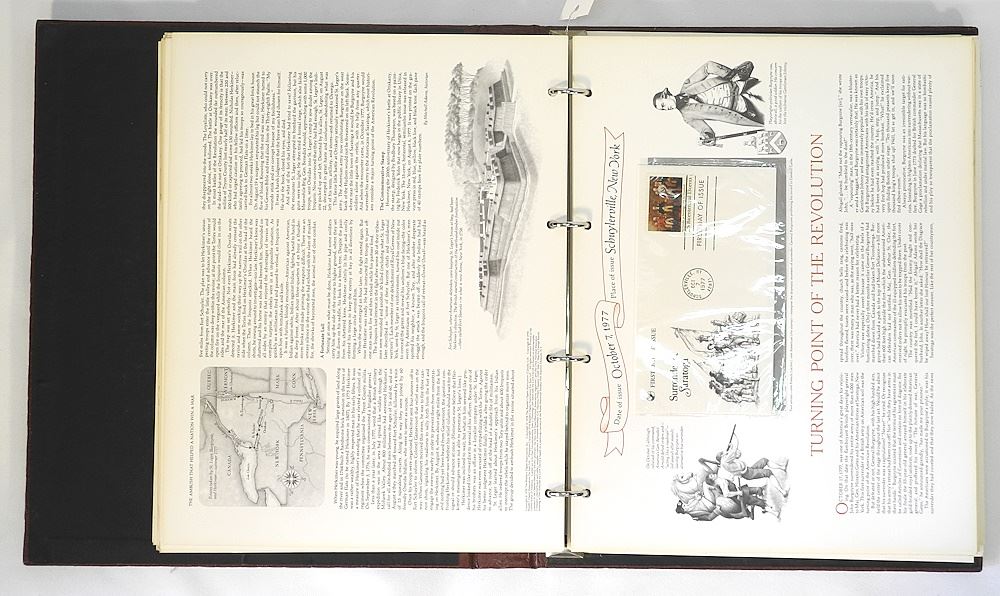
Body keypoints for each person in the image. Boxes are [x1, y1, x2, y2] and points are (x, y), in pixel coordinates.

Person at [653, 61, 764, 146]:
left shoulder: (687, 85)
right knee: (767, 117)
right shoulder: (688, 117)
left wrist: (731, 75)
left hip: (741, 85)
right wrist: (707, 137)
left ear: (665, 95)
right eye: (663, 109)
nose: (666, 109)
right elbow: (705, 130)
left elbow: (708, 67)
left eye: (663, 105)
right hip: (741, 107)